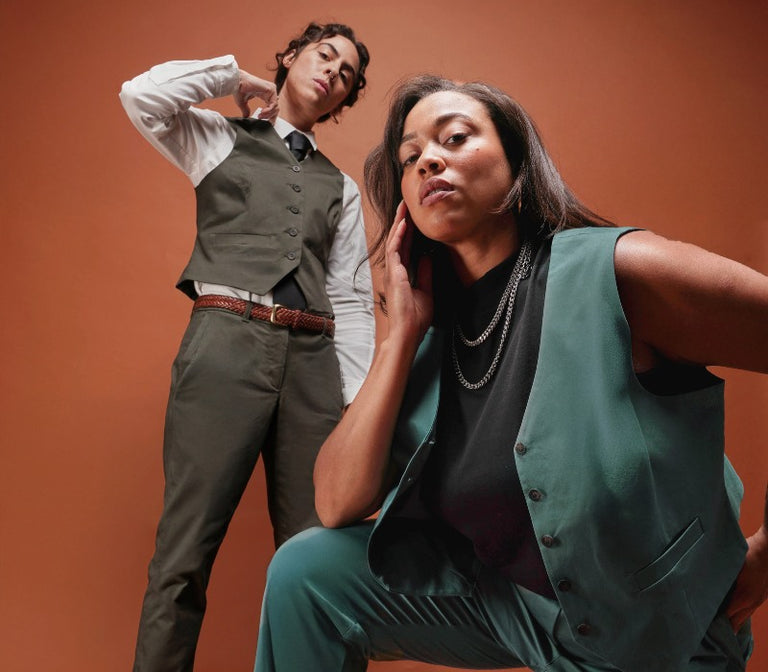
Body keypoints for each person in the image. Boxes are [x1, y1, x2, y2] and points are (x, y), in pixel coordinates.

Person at [253, 75, 768, 672]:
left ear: (516, 160)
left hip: (656, 635)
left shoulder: (619, 273)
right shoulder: (436, 333)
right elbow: (337, 502)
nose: (429, 162)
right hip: (510, 611)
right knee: (306, 572)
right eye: (411, 158)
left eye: (455, 137)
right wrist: (401, 337)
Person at [119, 22, 374, 672]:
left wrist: (352, 409)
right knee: (183, 555)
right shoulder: (216, 138)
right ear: (291, 57)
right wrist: (235, 77)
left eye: (345, 74)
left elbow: (349, 299)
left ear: (343, 101)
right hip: (227, 341)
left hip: (315, 367)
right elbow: (141, 95)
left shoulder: (340, 188)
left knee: (323, 561)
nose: (332, 74)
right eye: (325, 56)